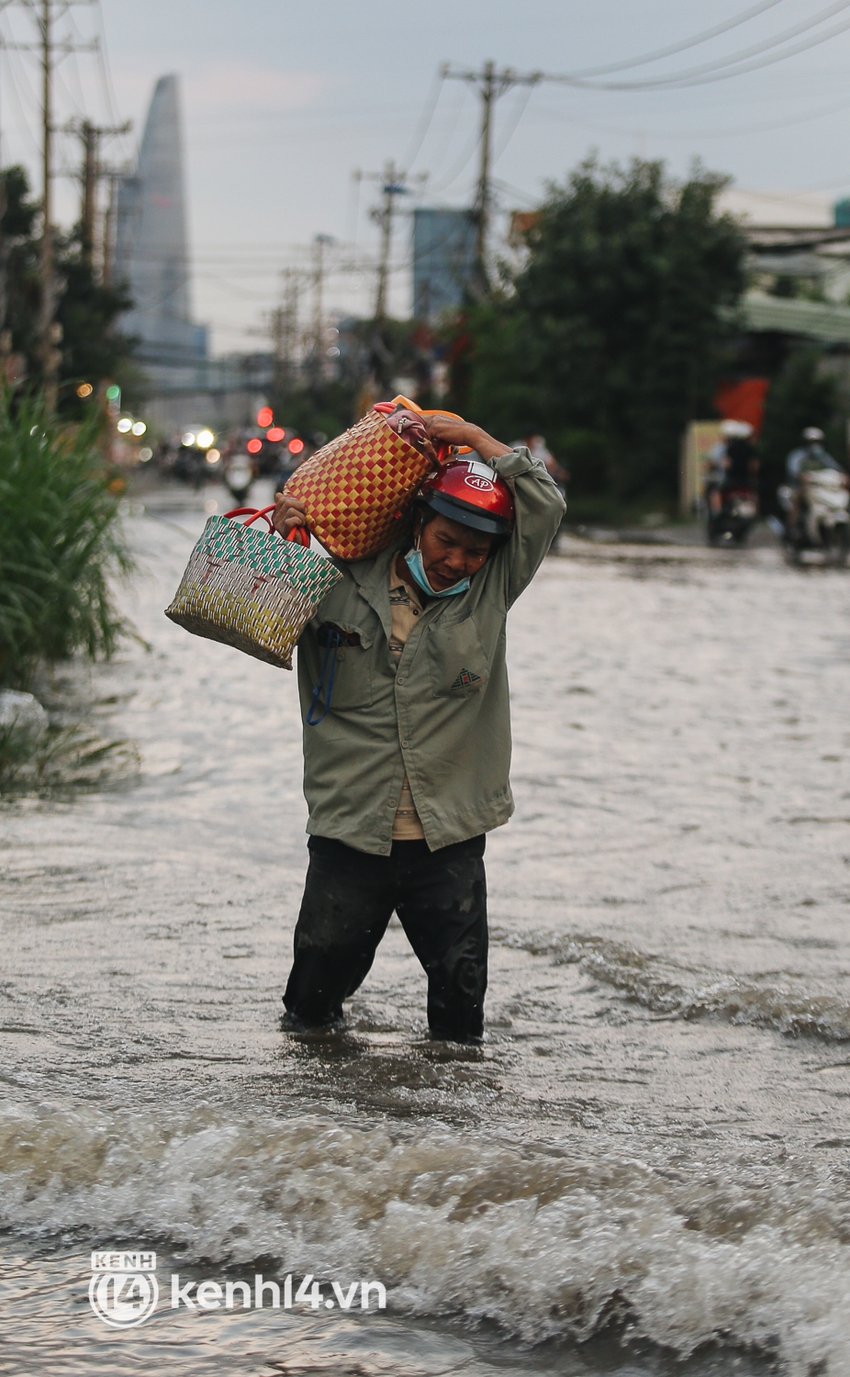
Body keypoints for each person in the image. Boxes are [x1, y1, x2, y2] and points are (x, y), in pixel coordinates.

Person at [273, 412, 565, 1043]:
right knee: (312, 1006)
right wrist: (283, 544)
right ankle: (310, 1127)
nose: (459, 560)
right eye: (446, 542)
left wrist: (477, 440)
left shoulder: (492, 592)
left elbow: (544, 502)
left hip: (448, 834)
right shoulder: (331, 582)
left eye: (475, 551)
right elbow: (256, 624)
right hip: (351, 828)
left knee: (461, 1004)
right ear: (416, 524)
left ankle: (451, 1137)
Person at [783, 427, 847, 531]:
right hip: (800, 486)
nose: (815, 445)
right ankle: (792, 527)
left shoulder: (823, 456)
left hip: (821, 486)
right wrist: (801, 476)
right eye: (812, 442)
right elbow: (793, 471)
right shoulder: (797, 456)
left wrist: (843, 475)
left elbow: (835, 467)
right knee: (796, 499)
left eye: (818, 442)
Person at [704, 419, 758, 517]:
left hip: (730, 479)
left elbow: (725, 465)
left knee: (716, 492)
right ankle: (754, 513)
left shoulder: (728, 449)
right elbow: (754, 466)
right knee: (753, 493)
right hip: (745, 480)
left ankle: (717, 513)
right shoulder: (750, 448)